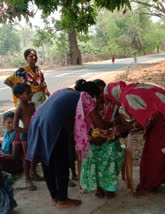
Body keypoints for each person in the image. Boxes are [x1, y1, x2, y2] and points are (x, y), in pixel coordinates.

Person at [26, 80, 115, 208]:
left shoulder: (66, 91)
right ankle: (62, 199)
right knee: (61, 163)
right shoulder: (85, 97)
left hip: (37, 122)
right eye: (98, 97)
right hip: (53, 125)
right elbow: (100, 124)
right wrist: (115, 122)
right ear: (93, 95)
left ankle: (55, 198)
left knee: (47, 162)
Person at [103, 81, 165, 196]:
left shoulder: (127, 97)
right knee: (160, 153)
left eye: (110, 99)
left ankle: (148, 187)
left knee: (154, 155)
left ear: (113, 94)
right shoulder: (130, 89)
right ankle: (156, 182)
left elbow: (145, 120)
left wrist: (127, 128)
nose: (112, 102)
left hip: (163, 120)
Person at [80, 92, 124, 199]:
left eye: (101, 93)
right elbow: (80, 129)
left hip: (111, 141)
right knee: (91, 154)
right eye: (97, 94)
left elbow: (121, 125)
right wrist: (91, 138)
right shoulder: (86, 109)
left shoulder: (114, 108)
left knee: (111, 152)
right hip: (93, 141)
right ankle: (98, 187)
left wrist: (112, 133)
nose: (100, 97)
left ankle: (110, 187)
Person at [13, 83, 40, 191]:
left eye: (30, 92)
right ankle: (28, 179)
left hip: (33, 133)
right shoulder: (19, 108)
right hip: (25, 135)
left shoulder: (31, 105)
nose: (30, 94)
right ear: (19, 96)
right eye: (27, 93)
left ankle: (33, 173)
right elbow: (15, 127)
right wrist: (26, 131)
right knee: (27, 157)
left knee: (33, 154)